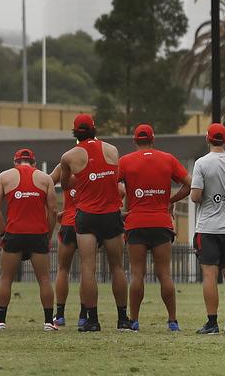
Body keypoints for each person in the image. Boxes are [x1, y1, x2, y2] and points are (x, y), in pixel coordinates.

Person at [56, 113, 127, 332]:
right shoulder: (112, 150)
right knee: (117, 267)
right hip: (111, 214)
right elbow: (116, 181)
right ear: (95, 129)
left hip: (86, 216)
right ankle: (123, 318)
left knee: (88, 268)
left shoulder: (68, 156)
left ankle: (92, 320)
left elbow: (66, 184)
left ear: (75, 132)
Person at [117, 124, 190, 332]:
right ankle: (173, 321)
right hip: (161, 223)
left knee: (137, 274)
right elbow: (189, 183)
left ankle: (135, 320)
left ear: (134, 140)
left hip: (136, 223)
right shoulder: (167, 159)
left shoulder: (125, 161)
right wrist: (170, 201)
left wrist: (118, 205)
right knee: (165, 274)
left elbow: (111, 184)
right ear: (153, 139)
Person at [189, 122, 225, 335]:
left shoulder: (201, 163)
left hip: (208, 228)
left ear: (207, 139)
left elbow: (195, 196)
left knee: (209, 276)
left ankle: (212, 322)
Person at [0, 148, 58, 332]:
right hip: (38, 234)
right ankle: (48, 322)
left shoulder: (5, 176)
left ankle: (0, 321)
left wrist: (3, 231)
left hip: (14, 234)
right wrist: (48, 234)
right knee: (44, 279)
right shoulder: (45, 179)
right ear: (34, 163)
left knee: (6, 278)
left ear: (15, 162)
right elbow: (53, 212)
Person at [48, 163, 81, 328]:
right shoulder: (97, 163)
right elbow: (121, 190)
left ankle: (59, 315)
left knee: (63, 269)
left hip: (68, 222)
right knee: (88, 270)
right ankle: (85, 315)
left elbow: (46, 183)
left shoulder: (66, 164)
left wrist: (55, 210)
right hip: (88, 222)